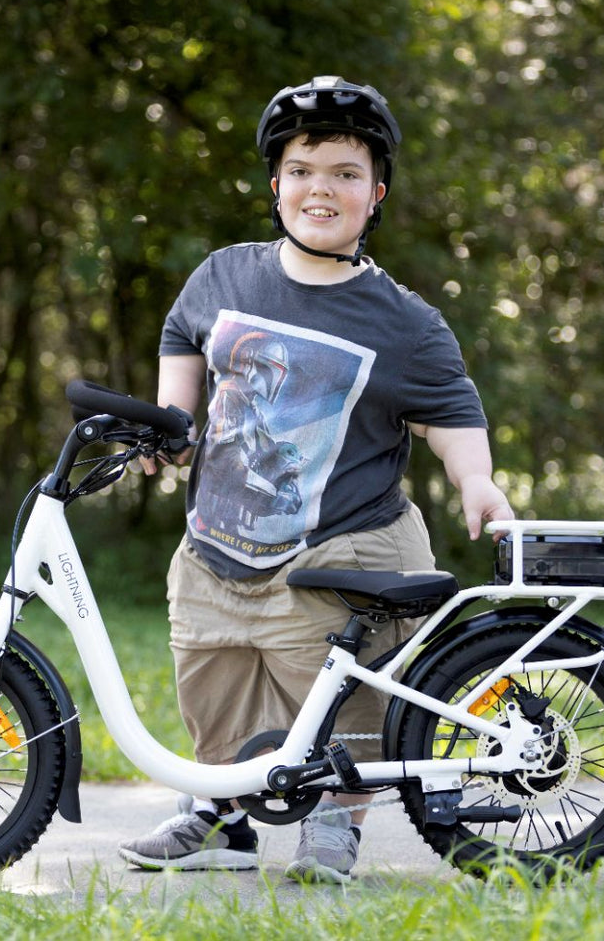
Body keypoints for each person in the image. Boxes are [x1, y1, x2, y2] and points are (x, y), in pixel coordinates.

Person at [117, 76, 513, 884]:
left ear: (375, 196)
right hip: (218, 546)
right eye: (301, 170)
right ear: (275, 186)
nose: (319, 189)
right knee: (215, 688)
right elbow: (181, 346)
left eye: (343, 173)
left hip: (340, 546)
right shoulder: (224, 278)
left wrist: (479, 483)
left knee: (344, 706)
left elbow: (450, 412)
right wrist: (168, 428)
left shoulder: (401, 321)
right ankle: (223, 815)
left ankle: (337, 822)